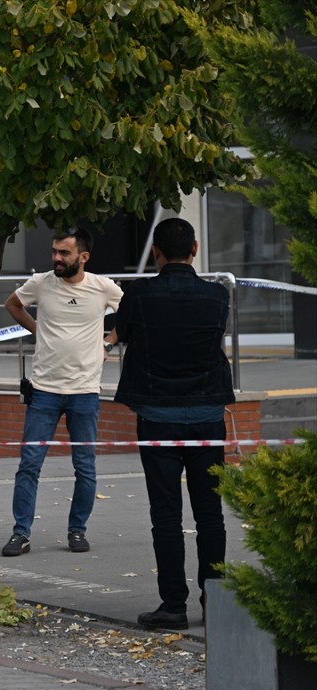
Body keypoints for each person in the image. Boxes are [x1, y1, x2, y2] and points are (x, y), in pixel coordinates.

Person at [111, 217, 234, 630]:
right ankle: (216, 600)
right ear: (194, 249)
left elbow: (121, 334)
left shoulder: (139, 294)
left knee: (166, 514)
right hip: (207, 416)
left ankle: (173, 606)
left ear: (156, 254)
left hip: (158, 417)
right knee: (210, 513)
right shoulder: (218, 295)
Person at [2, 226, 122, 557]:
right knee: (29, 463)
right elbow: (12, 305)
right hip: (44, 391)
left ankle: (77, 530)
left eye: (64, 253)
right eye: (54, 251)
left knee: (85, 467)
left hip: (85, 392)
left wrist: (109, 343)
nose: (56, 257)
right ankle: (20, 533)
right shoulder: (41, 283)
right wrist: (38, 329)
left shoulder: (102, 288)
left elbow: (130, 312)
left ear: (83, 257)